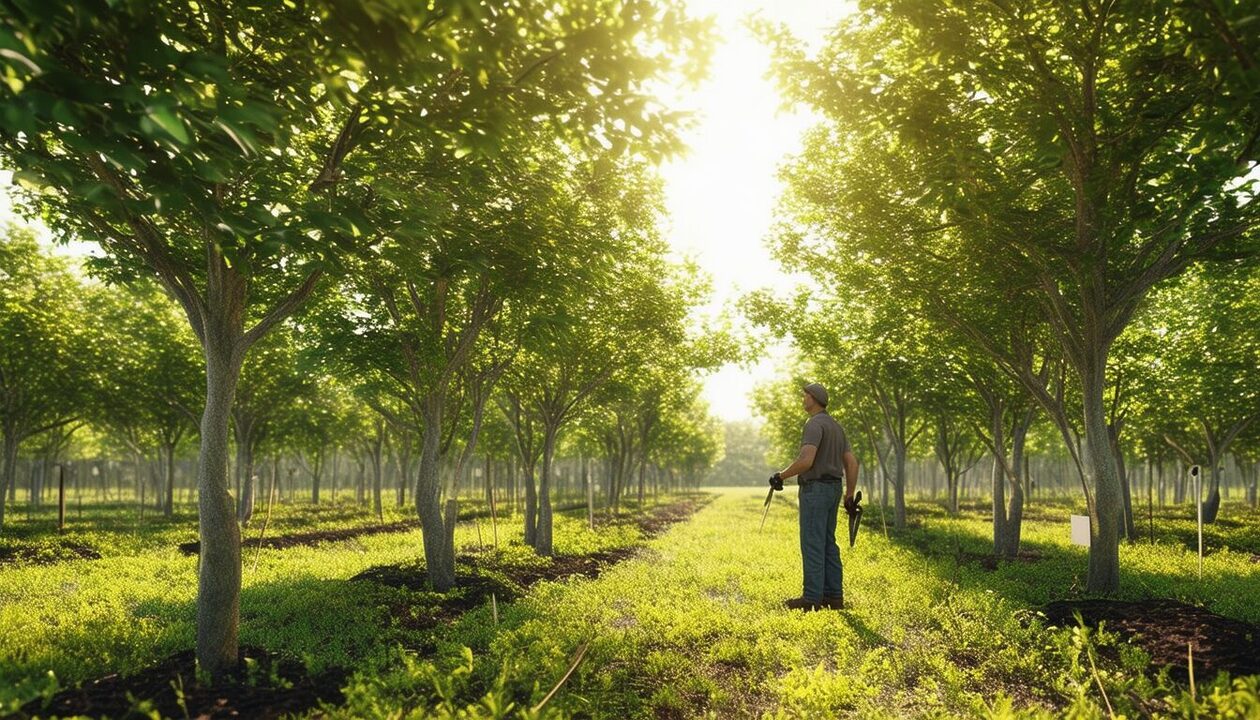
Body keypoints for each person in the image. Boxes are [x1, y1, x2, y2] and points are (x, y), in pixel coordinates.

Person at [769, 382, 859, 611]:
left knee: (812, 543)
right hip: (833, 489)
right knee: (828, 542)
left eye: (805, 395)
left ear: (814, 398)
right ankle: (834, 597)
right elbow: (851, 462)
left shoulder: (814, 424)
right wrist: (849, 495)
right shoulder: (837, 427)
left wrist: (781, 475)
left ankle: (811, 599)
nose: (803, 399)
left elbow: (807, 460)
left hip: (815, 490)